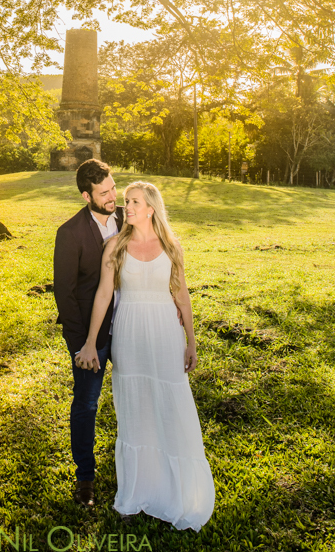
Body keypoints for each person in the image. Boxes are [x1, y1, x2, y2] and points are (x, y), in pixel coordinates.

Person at [76, 181, 215, 531]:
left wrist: (192, 341)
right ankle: (136, 491)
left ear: (151, 208)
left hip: (166, 334)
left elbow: (182, 296)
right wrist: (91, 341)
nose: (127, 206)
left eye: (134, 201)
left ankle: (178, 492)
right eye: (126, 201)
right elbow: (104, 295)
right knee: (134, 410)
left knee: (171, 405)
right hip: (129, 334)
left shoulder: (171, 245)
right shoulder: (115, 246)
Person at [53, 159, 124, 508]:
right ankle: (85, 479)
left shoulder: (128, 217)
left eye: (113, 188)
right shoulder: (69, 233)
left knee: (130, 395)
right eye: (104, 193)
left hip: (129, 326)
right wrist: (84, 345)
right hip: (90, 337)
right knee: (86, 403)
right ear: (86, 195)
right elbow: (64, 293)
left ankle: (132, 464)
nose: (113, 196)